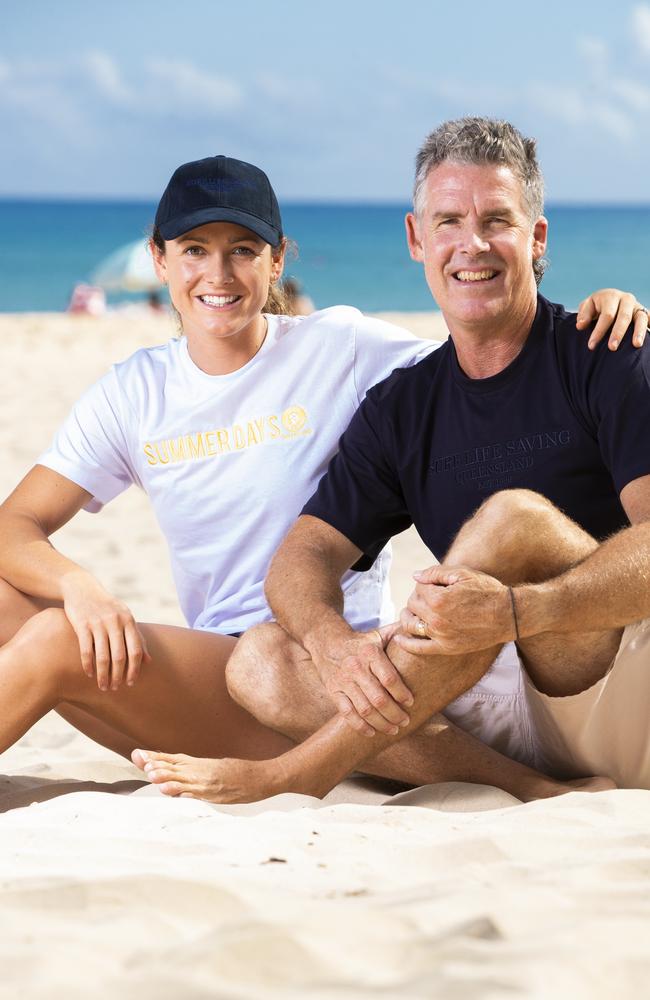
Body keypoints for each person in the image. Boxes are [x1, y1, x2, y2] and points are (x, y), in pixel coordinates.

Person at [0, 152, 641, 799]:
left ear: (278, 259)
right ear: (160, 260)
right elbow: (13, 527)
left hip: (321, 667)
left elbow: (488, 349)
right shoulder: (133, 392)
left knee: (55, 639)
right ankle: (513, 780)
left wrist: (596, 313)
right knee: (11, 606)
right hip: (203, 674)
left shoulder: (341, 346)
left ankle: (516, 783)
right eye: (194, 250)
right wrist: (79, 585)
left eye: (243, 250)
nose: (217, 274)